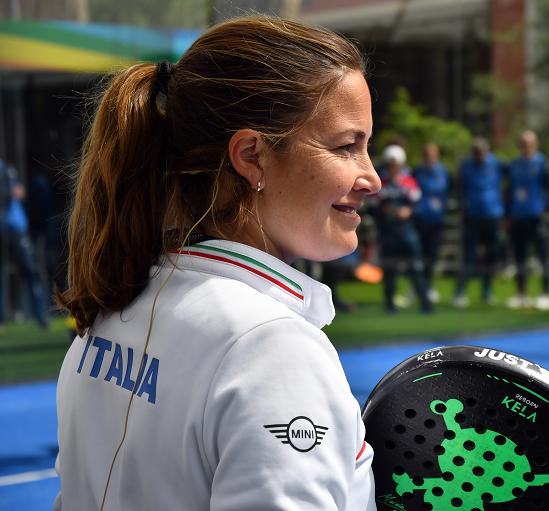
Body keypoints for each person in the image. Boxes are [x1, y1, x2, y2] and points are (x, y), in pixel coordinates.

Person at [54, 16, 380, 510]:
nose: (371, 177)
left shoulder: (112, 309)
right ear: (252, 155)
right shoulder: (272, 346)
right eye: (346, 147)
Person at [369, 145, 432, 314]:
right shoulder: (380, 184)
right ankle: (389, 305)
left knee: (416, 268)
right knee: (390, 270)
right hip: (388, 233)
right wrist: (385, 211)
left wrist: (409, 211)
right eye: (390, 164)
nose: (393, 167)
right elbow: (372, 208)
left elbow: (419, 206)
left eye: (396, 164)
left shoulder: (409, 182)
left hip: (407, 232)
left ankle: (426, 304)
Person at [506, 130, 549, 311]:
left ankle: (546, 294)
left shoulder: (543, 163)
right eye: (523, 143)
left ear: (535, 144)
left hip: (536, 217)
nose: (526, 146)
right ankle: (521, 294)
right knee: (520, 257)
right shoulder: (515, 165)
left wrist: (545, 209)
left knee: (543, 256)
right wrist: (508, 214)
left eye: (529, 143)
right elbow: (509, 190)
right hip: (518, 217)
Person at [452, 137, 504, 307]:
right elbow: (459, 189)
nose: (479, 155)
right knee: (468, 255)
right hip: (472, 216)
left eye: (482, 152)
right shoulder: (466, 166)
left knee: (491, 255)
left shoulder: (497, 164)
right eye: (476, 152)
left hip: (492, 215)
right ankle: (461, 291)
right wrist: (463, 208)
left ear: (487, 151)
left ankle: (487, 290)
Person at [0, 159, 49, 328]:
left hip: (15, 226)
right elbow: (15, 192)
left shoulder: (5, 167)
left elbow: (19, 192)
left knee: (30, 270)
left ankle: (40, 314)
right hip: (10, 227)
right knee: (28, 271)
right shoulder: (5, 169)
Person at [412, 143, 450, 303]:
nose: (429, 157)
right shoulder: (417, 171)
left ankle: (428, 286)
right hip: (419, 219)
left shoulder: (443, 172)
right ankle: (416, 288)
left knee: (432, 256)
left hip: (436, 221)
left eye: (432, 154)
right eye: (427, 154)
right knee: (417, 256)